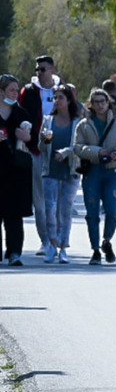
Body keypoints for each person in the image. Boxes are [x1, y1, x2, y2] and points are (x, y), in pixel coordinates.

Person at [73, 87, 116, 265]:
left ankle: (107, 240)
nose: (100, 105)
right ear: (91, 104)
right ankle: (95, 250)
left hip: (112, 171)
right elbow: (78, 147)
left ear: (108, 103)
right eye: (96, 102)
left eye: (103, 101)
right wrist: (97, 152)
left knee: (112, 210)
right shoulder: (84, 125)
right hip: (92, 171)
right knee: (92, 212)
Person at [17, 55, 61, 257]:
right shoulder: (28, 91)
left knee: (58, 198)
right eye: (37, 69)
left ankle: (58, 238)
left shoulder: (63, 89)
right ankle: (45, 241)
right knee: (40, 199)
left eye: (43, 69)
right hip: (36, 149)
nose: (39, 72)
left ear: (52, 70)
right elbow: (20, 115)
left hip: (59, 151)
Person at [41, 84, 84, 263]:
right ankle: (52, 244)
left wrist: (66, 152)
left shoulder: (78, 122)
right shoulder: (48, 120)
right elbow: (41, 146)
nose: (57, 101)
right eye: (55, 97)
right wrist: (43, 141)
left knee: (65, 209)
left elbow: (81, 145)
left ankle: (63, 247)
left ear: (69, 101)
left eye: (60, 97)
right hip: (50, 169)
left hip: (71, 169)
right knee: (50, 208)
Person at [1, 74, 36, 265]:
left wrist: (27, 137)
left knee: (14, 214)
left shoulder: (22, 114)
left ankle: (14, 253)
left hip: (16, 170)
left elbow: (35, 141)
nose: (15, 93)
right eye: (11, 90)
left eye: (17, 90)